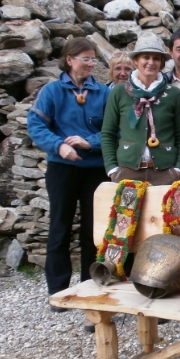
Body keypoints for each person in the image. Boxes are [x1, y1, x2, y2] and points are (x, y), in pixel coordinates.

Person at [27, 38, 110, 315]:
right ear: (69, 60)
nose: (91, 63)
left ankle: (88, 285)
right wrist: (59, 146)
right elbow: (36, 124)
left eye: (93, 58)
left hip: (95, 170)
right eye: (85, 58)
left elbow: (113, 130)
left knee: (92, 231)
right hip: (62, 169)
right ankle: (58, 290)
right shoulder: (52, 91)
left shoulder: (103, 93)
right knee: (60, 227)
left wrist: (90, 143)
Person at [101, 31, 180, 187]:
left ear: (162, 63)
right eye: (145, 57)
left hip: (165, 172)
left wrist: (178, 169)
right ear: (136, 61)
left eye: (156, 58)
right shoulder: (119, 92)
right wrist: (113, 170)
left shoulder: (174, 94)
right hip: (127, 171)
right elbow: (108, 133)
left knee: (163, 205)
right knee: (126, 205)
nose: (151, 62)